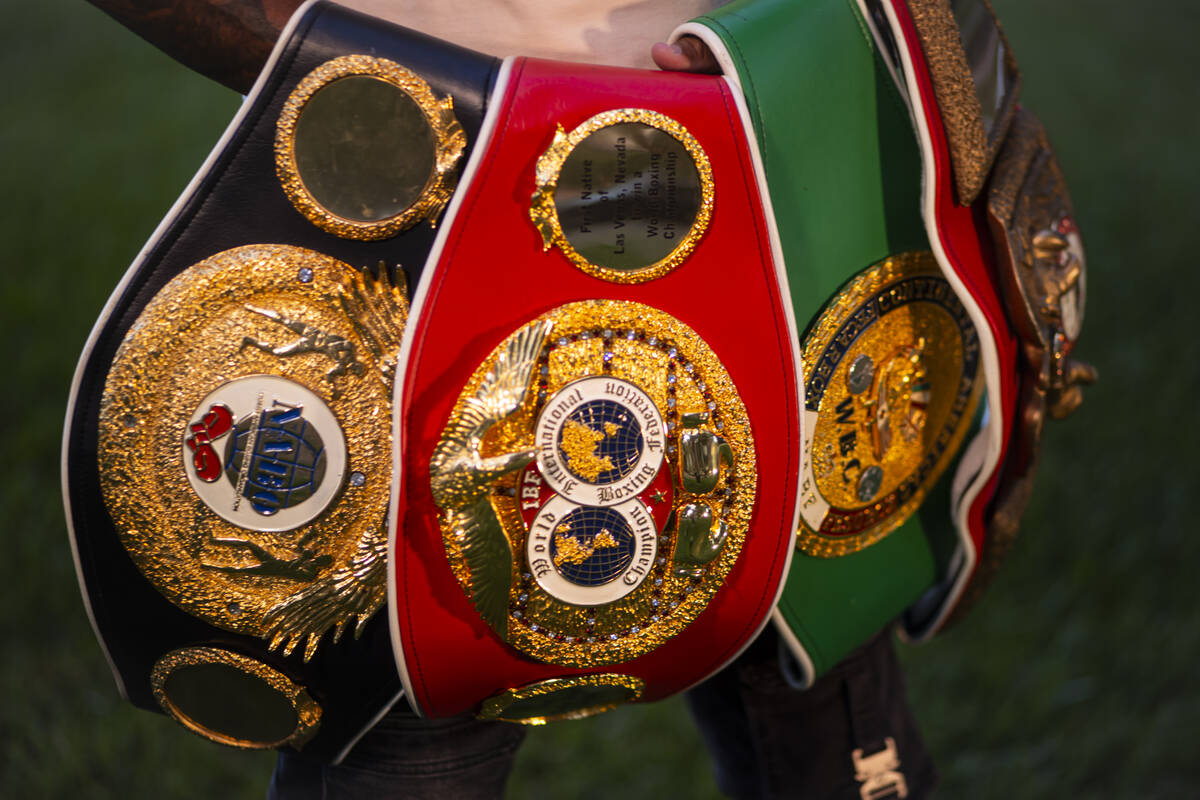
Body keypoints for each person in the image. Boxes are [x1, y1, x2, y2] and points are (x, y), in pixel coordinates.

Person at [83, 2, 937, 797]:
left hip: (768, 116)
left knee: (815, 641)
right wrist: (339, 67)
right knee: (412, 702)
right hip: (431, 182)